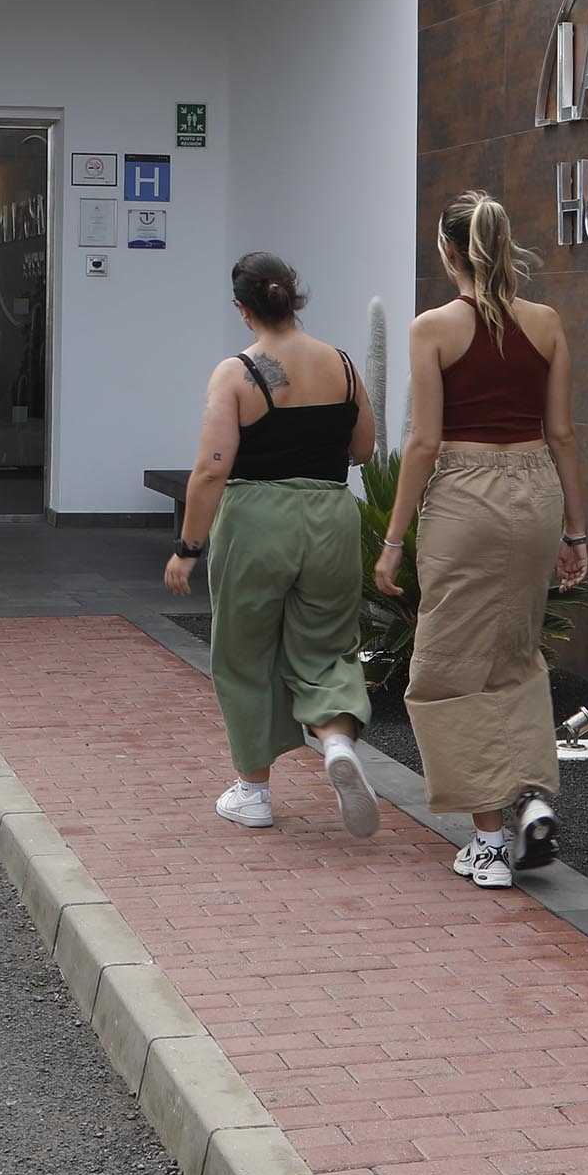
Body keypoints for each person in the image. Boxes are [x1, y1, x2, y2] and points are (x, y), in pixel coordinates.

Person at [375, 192, 587, 889]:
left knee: (446, 666)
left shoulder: (433, 327)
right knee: (516, 652)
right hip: (536, 491)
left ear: (447, 251)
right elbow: (562, 433)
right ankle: (526, 801)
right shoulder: (547, 322)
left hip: (467, 493)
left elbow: (424, 441)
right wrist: (575, 529)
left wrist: (394, 538)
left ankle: (490, 841)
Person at [165, 253, 381, 837]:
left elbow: (211, 470)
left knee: (244, 652)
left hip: (257, 519)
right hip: (332, 518)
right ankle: (337, 743)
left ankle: (254, 791)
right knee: (329, 644)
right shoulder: (341, 364)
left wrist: (188, 546)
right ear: (295, 297)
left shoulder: (237, 373)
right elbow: (362, 449)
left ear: (243, 309)